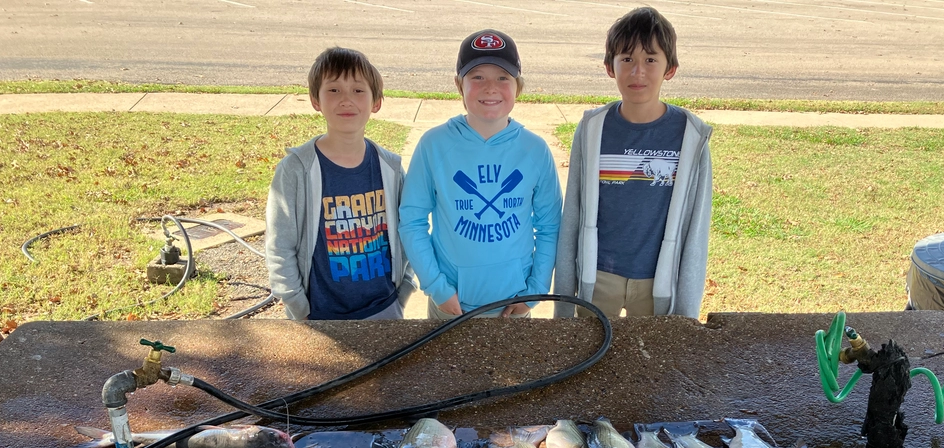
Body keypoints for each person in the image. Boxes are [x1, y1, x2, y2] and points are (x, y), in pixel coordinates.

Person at [553, 7, 713, 320]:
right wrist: (564, 302)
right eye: (626, 59)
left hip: (658, 282)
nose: (637, 71)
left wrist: (686, 310)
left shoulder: (691, 137)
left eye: (650, 59)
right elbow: (572, 212)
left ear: (671, 68)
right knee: (594, 363)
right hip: (598, 279)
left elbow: (697, 227)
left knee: (653, 367)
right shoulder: (592, 129)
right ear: (609, 67)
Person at [399, 29, 562, 319]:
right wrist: (438, 287)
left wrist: (535, 291)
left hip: (514, 304)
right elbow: (412, 221)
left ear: (518, 86)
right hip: (450, 305)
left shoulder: (535, 150)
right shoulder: (434, 145)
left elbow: (550, 227)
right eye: (477, 77)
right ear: (458, 85)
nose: (490, 87)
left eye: (503, 77)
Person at [265, 47, 416, 320]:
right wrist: (299, 306)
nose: (346, 100)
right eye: (333, 90)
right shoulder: (296, 169)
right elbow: (280, 245)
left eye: (358, 90)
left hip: (384, 309)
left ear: (376, 102)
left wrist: (403, 290)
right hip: (319, 316)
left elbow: (409, 231)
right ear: (315, 100)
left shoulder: (390, 168)